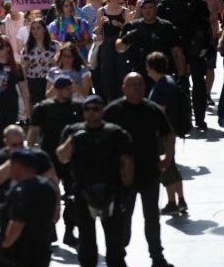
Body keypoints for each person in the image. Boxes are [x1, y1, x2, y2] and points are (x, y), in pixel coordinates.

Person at [104, 73, 175, 267]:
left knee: (152, 217)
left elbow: (168, 133)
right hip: (123, 176)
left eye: (140, 84)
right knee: (123, 218)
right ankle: (119, 255)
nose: (137, 88)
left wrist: (167, 157)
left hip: (149, 172)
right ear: (123, 88)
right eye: (132, 85)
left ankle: (157, 257)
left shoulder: (151, 109)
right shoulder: (113, 111)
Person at [57, 95, 134, 267]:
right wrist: (73, 139)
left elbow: (127, 162)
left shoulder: (115, 133)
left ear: (102, 110)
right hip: (83, 191)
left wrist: (125, 190)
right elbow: (62, 157)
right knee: (86, 241)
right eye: (88, 109)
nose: (92, 113)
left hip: (111, 190)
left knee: (114, 241)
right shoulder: (73, 131)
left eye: (96, 109)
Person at [27, 76, 83, 247]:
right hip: (48, 158)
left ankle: (69, 231)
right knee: (47, 197)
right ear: (58, 90)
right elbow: (33, 132)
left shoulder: (78, 108)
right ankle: (49, 232)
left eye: (71, 88)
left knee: (73, 197)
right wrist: (29, 154)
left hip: (70, 159)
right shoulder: (43, 109)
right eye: (67, 89)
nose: (71, 91)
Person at [0, 149, 59, 267]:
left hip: (22, 253)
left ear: (19, 167)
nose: (10, 170)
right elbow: (54, 215)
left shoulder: (21, 190)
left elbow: (17, 224)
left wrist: (5, 245)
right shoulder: (48, 186)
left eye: (11, 165)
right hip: (42, 250)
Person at [158, 0, 212, 130]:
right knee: (180, 85)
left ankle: (200, 118)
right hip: (175, 50)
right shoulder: (165, 4)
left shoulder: (195, 1)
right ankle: (184, 118)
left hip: (194, 48)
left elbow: (206, 24)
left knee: (199, 84)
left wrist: (207, 46)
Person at [146, 53, 188, 215]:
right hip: (170, 131)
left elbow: (160, 112)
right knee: (172, 167)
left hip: (162, 134)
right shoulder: (169, 82)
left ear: (152, 67)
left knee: (166, 168)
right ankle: (181, 200)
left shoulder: (161, 87)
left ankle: (172, 202)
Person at [116, 0, 187, 92]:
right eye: (144, 8)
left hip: (162, 75)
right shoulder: (132, 26)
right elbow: (119, 48)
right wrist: (125, 40)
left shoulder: (166, 27)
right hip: (139, 75)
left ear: (156, 8)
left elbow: (177, 53)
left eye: (150, 7)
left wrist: (182, 75)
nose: (147, 11)